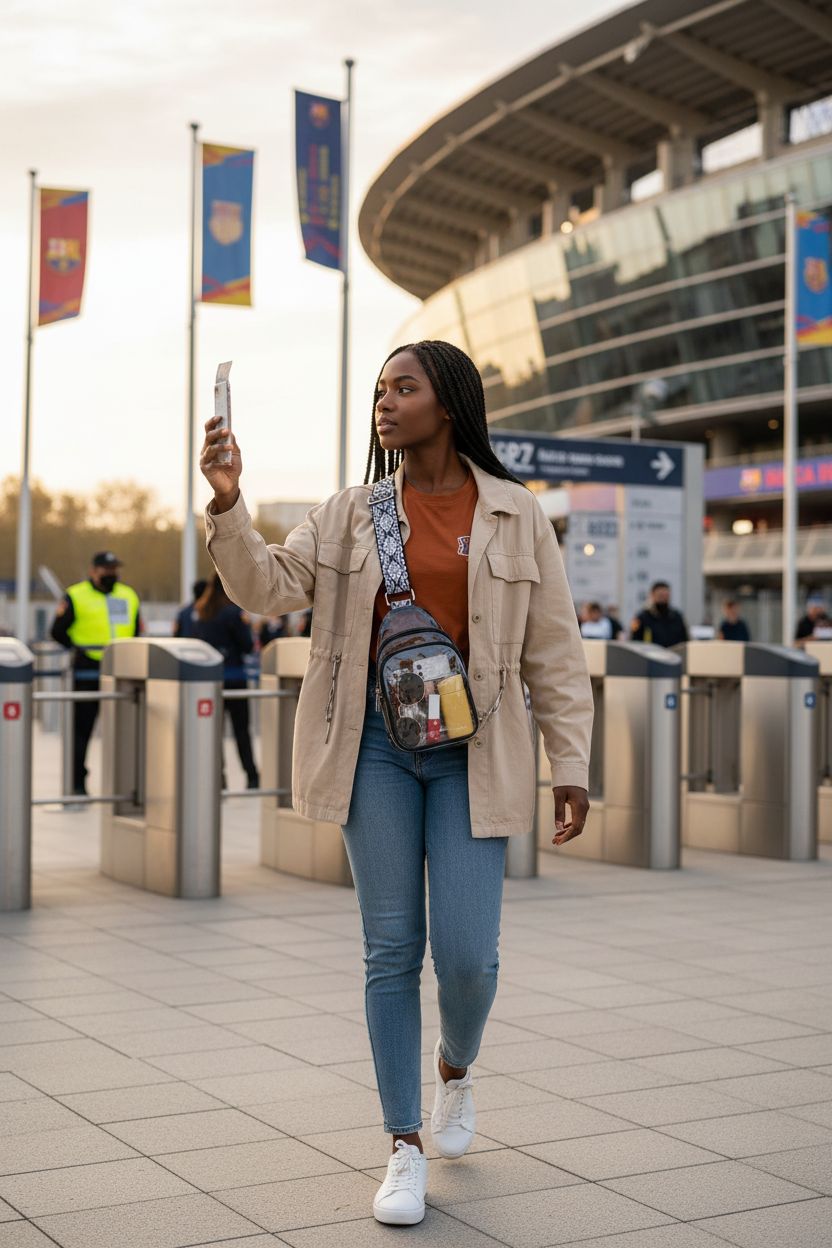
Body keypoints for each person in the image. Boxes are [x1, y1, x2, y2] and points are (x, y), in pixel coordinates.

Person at [200, 338, 593, 1227]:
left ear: (447, 403)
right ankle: (402, 1144)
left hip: (473, 751)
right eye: (380, 389)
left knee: (468, 957)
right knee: (390, 951)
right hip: (374, 745)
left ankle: (455, 1065)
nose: (384, 402)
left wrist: (569, 763)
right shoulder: (352, 511)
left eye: (402, 388)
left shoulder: (516, 513)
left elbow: (555, 651)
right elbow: (267, 587)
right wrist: (228, 503)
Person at [50, 551, 141, 796]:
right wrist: (78, 649)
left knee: (125, 729)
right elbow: (57, 631)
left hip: (122, 667)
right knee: (82, 731)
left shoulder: (128, 595)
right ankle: (78, 782)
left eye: (114, 569)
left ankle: (125, 784)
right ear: (93, 571)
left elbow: (135, 630)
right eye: (106, 569)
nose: (112, 573)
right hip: (87, 669)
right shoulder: (75, 595)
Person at [191, 574, 259, 789]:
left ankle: (218, 778)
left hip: (211, 681)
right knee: (241, 731)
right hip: (235, 679)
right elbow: (247, 645)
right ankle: (251, 776)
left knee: (214, 732)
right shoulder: (233, 612)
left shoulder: (201, 610)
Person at [630, 580, 688, 648]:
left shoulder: (677, 617)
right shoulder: (642, 617)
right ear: (652, 595)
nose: (663, 599)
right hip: (651, 653)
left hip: (674, 653)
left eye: (666, 595)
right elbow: (634, 641)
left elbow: (685, 640)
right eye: (660, 595)